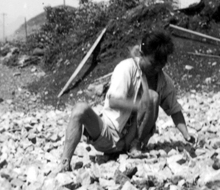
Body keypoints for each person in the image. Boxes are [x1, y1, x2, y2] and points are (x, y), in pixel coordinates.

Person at [59, 29, 195, 172]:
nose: (156, 69)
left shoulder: (164, 81)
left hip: (133, 139)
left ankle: (136, 145)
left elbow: (174, 109)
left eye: (160, 66)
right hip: (110, 134)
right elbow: (113, 102)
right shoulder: (126, 68)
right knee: (80, 109)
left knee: (153, 97)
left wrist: (186, 135)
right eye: (153, 64)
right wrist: (140, 106)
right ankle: (65, 162)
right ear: (142, 55)